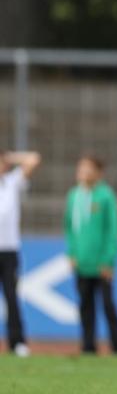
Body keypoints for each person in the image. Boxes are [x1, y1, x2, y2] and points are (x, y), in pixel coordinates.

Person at [64, 154, 117, 355]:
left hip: (101, 263)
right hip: (82, 262)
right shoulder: (74, 196)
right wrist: (72, 253)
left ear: (98, 172)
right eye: (81, 168)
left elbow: (112, 230)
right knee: (85, 306)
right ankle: (88, 345)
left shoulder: (105, 196)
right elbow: (70, 228)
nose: (83, 172)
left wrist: (109, 259)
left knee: (108, 305)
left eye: (88, 168)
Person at [0, 150, 41, 357]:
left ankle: (17, 342)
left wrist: (10, 157)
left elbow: (34, 159)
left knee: (11, 297)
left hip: (8, 250)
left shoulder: (12, 181)